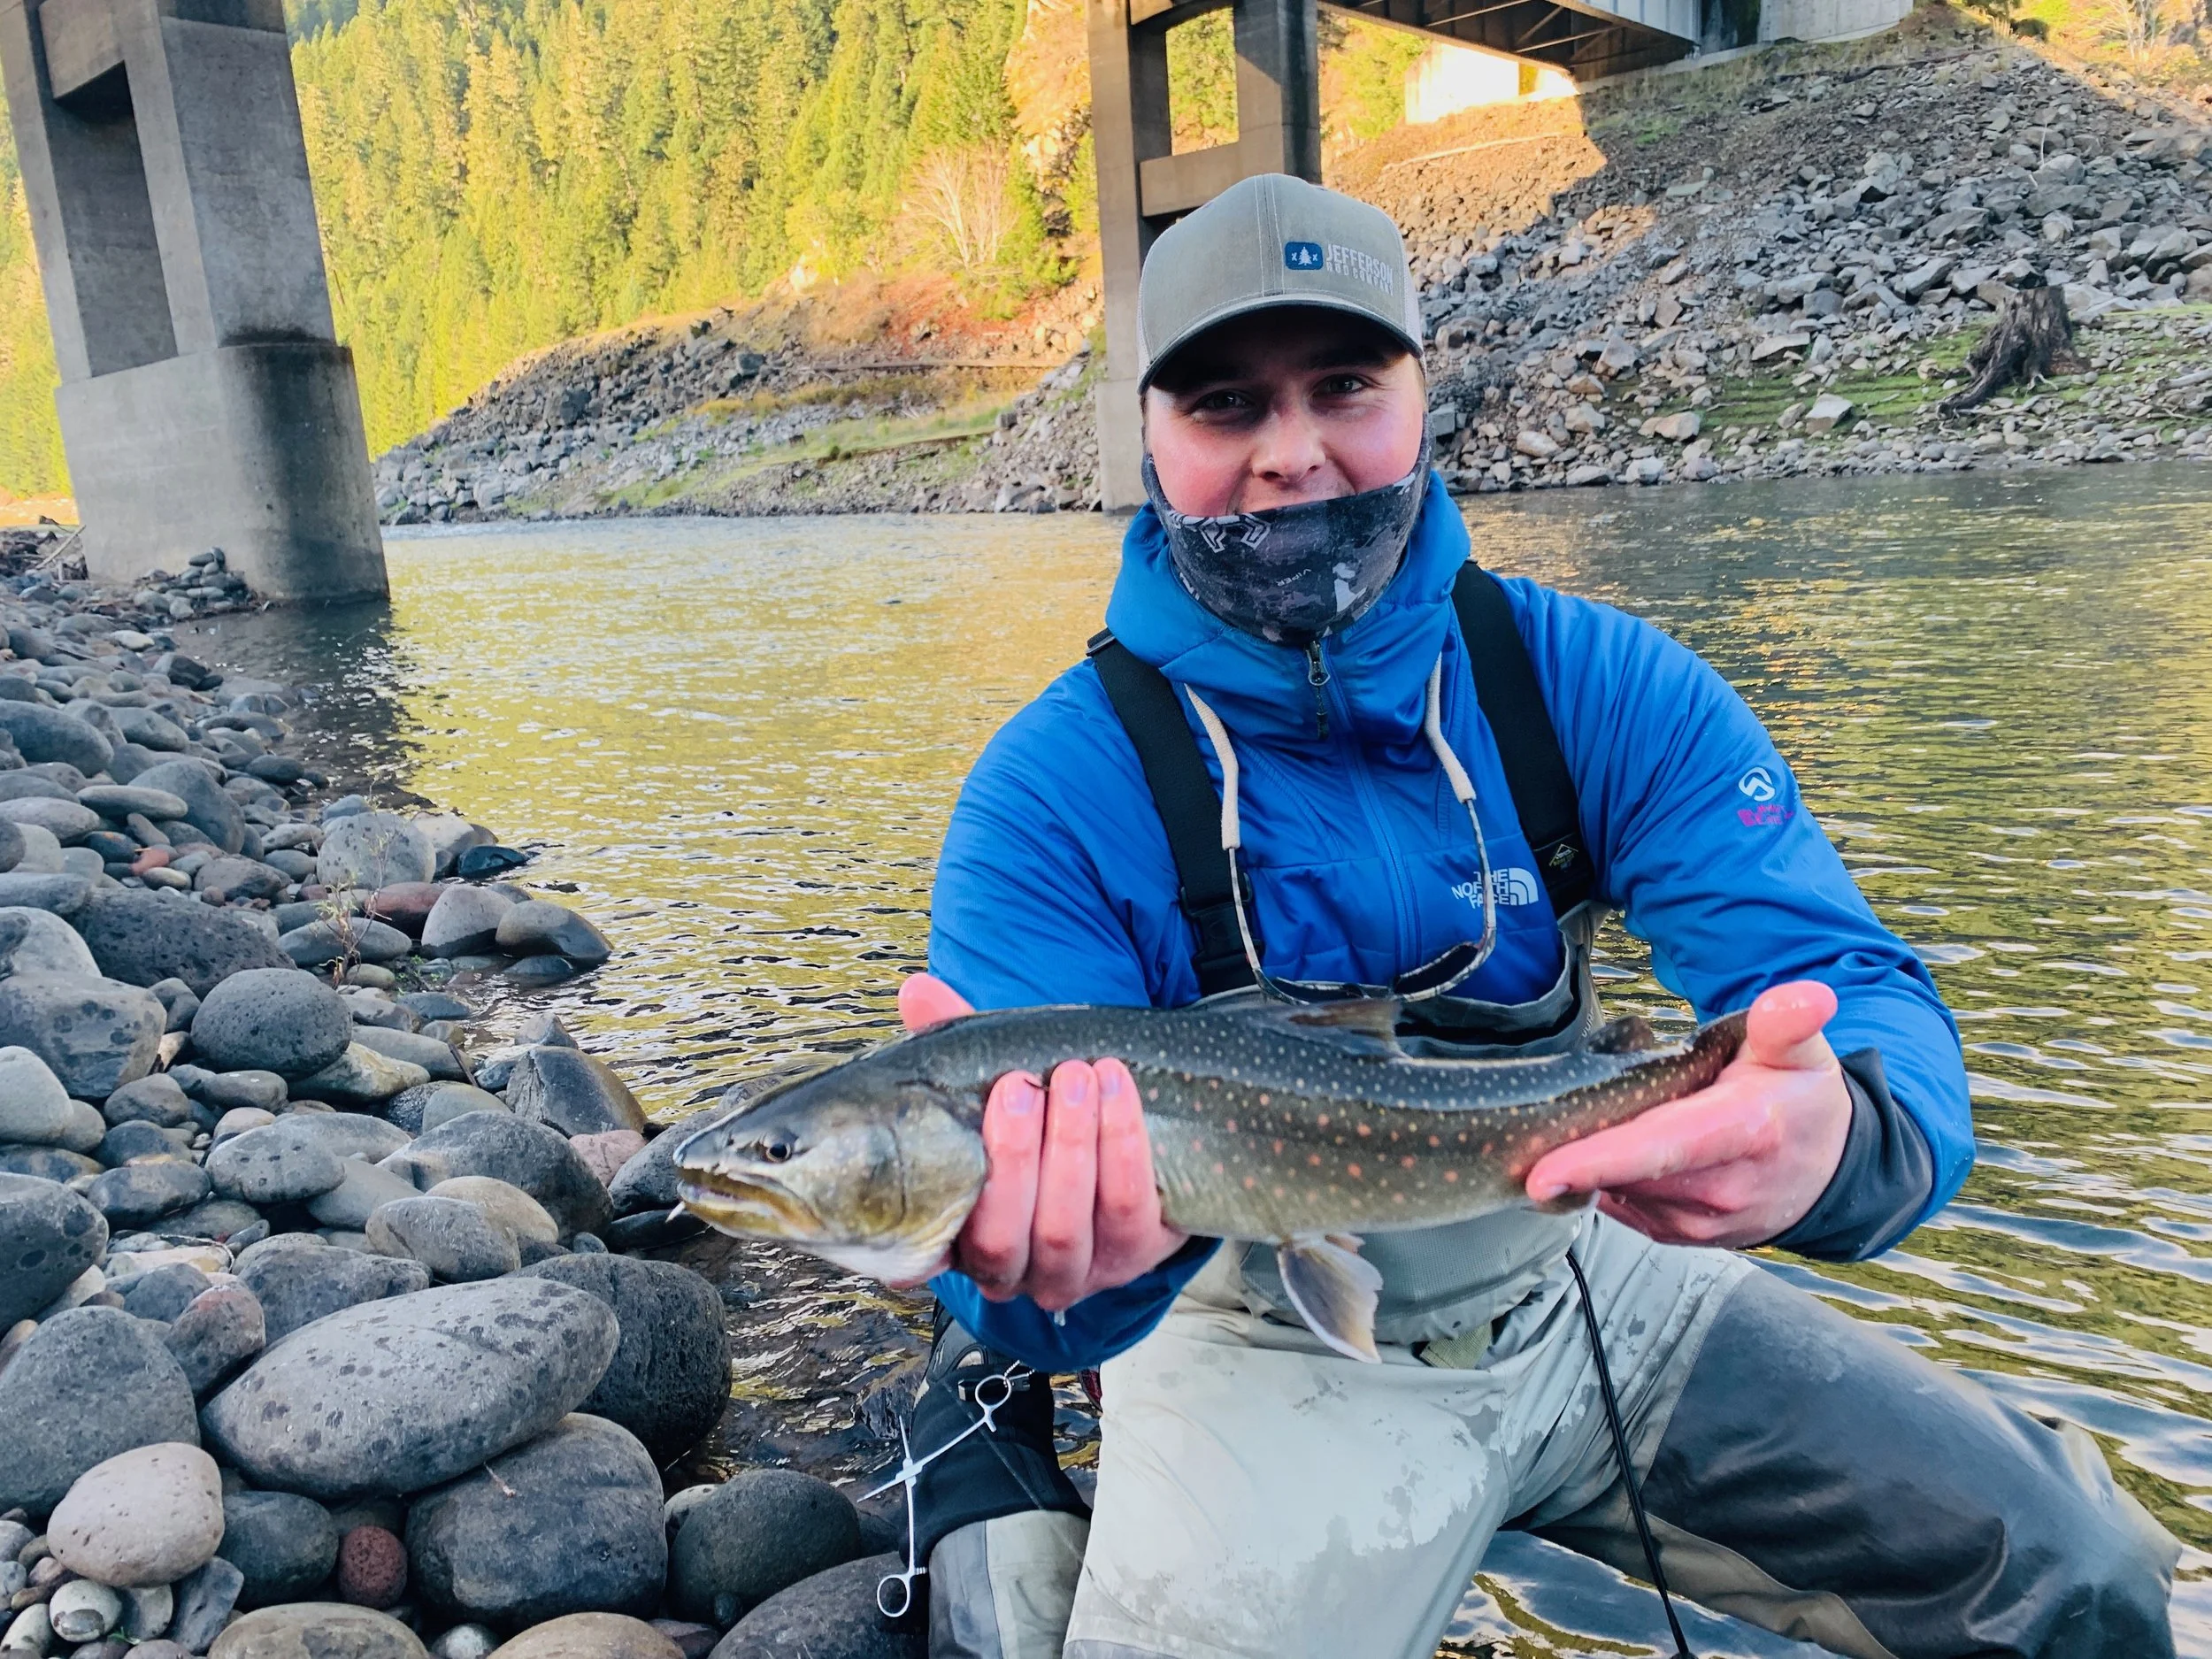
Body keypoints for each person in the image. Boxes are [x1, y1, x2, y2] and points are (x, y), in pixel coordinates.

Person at [885, 173, 2178, 1659]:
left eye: (1347, 387)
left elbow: (1851, 988)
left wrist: (1839, 1139)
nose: (1293, 453)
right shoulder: (1052, 794)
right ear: (1155, 435)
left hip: (1593, 1276)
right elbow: (1037, 1295)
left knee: (2070, 1568)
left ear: (1424, 398)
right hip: (1258, 1342)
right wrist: (1048, 1301)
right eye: (1228, 404)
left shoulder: (1601, 685)